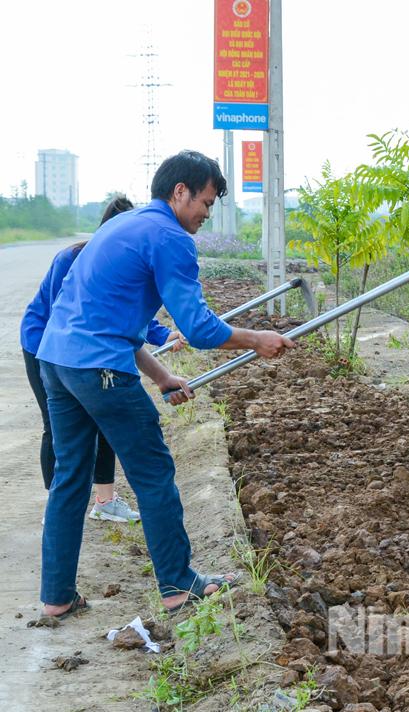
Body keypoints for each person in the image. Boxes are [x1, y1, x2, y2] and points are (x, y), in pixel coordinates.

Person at [34, 150, 294, 619]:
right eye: (207, 203)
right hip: (99, 369)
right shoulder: (170, 237)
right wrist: (256, 339)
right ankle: (178, 584)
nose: (206, 215)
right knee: (153, 472)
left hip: (57, 361)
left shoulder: (124, 225)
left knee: (70, 477)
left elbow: (111, 321)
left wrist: (162, 376)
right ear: (180, 192)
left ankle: (57, 596)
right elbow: (197, 328)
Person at [21, 194, 188, 523]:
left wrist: (160, 335)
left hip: (88, 351)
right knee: (56, 427)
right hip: (45, 346)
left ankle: (105, 501)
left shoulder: (127, 260)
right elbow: (64, 318)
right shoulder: (74, 259)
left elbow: (126, 311)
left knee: (106, 418)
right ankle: (58, 505)